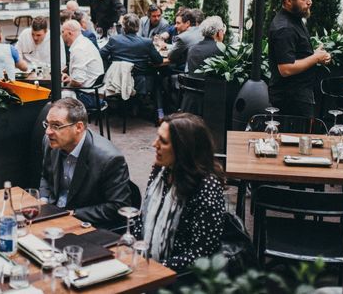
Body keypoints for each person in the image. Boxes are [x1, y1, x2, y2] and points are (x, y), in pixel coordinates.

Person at [132, 113, 224, 270]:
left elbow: (201, 254)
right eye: (157, 138)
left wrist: (156, 268)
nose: (155, 144)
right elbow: (142, 220)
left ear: (183, 150)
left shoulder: (207, 188)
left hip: (181, 278)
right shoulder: (160, 170)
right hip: (146, 263)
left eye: (163, 141)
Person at [39, 98, 132, 228]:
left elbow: (119, 206)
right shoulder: (51, 142)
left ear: (78, 127)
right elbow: (46, 175)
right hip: (53, 215)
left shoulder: (109, 159)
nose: (48, 131)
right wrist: (43, 201)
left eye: (56, 126)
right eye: (47, 124)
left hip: (85, 225)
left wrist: (73, 214)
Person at [268, 0, 331, 117]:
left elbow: (295, 55)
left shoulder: (294, 19)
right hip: (291, 100)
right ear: (288, 1)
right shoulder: (284, 28)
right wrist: (315, 58)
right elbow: (286, 68)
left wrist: (316, 55)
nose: (310, 2)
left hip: (299, 96)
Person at [100, 13, 163, 96]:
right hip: (139, 81)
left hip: (117, 80)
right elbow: (159, 60)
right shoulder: (146, 42)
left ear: (123, 26)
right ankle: (159, 107)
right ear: (138, 26)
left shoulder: (114, 40)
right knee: (158, 75)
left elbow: (100, 55)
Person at [61, 20, 105, 107]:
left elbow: (78, 81)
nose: (61, 35)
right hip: (95, 94)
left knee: (56, 97)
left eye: (62, 32)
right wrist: (70, 79)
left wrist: (66, 86)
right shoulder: (84, 42)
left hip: (89, 97)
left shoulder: (78, 49)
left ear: (70, 33)